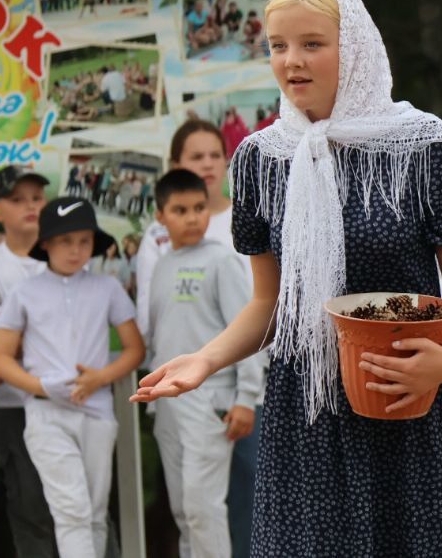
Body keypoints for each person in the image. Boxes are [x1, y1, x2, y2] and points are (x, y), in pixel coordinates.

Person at [132, 0, 442, 556]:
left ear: (351, 46)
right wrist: (204, 360)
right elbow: (268, 306)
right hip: (308, 416)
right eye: (278, 46)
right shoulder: (260, 160)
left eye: (311, 44)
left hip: (411, 400)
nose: (292, 62)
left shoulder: (422, 146)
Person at [134, 118, 268, 558]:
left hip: (212, 398)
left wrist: (246, 396)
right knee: (184, 510)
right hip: (169, 404)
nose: (191, 218)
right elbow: (156, 334)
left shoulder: (223, 259)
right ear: (161, 215)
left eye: (198, 209)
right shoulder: (160, 261)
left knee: (205, 508)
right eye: (179, 210)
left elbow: (249, 327)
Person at [0, 197, 145, 558]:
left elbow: (134, 349)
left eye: (84, 241)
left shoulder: (107, 288)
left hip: (98, 411)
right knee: (71, 510)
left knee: (93, 512)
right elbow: (0, 357)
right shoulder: (24, 292)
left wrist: (100, 378)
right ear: (45, 243)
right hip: (46, 415)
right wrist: (39, 386)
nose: (75, 250)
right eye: (64, 241)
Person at [0, 166, 58, 558]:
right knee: (29, 505)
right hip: (10, 402)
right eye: (17, 199)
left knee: (78, 503)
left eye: (36, 198)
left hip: (70, 397)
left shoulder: (66, 253)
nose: (30, 207)